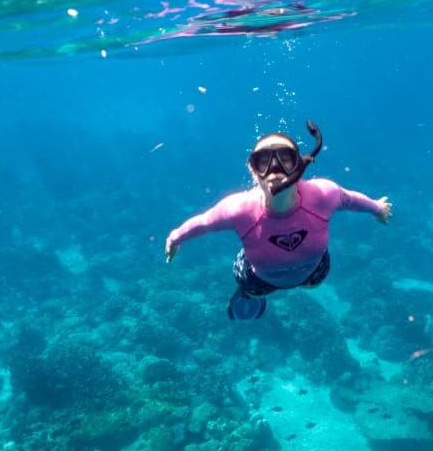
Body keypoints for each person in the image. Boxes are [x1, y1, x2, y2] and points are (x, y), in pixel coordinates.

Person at [165, 121, 392, 320]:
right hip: (258, 280)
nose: (275, 170)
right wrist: (175, 238)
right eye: (264, 161)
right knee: (253, 289)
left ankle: (269, 289)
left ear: (300, 165)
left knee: (314, 284)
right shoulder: (238, 209)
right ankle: (249, 295)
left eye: (285, 158)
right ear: (253, 171)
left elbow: (351, 200)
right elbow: (204, 222)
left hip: (312, 273)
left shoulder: (324, 194)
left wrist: (376, 207)